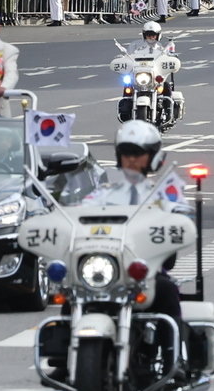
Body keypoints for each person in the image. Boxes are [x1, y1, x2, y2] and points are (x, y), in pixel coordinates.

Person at [81, 121, 189, 363]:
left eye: (138, 153)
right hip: (104, 270)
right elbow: (76, 223)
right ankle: (67, 358)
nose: (131, 159)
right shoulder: (98, 196)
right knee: (72, 296)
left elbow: (175, 233)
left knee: (168, 292)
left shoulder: (163, 197)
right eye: (126, 153)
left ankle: (175, 360)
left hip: (145, 273)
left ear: (153, 157)